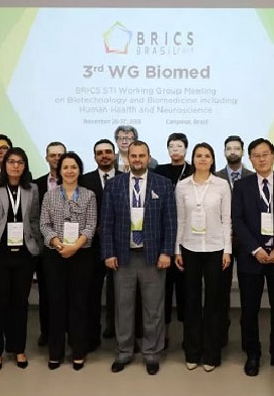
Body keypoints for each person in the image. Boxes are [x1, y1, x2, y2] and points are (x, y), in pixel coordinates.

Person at [102, 140, 176, 376]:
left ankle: (152, 352)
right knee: (123, 307)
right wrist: (109, 252)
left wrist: (166, 252)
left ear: (148, 157)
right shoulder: (114, 185)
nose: (137, 160)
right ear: (127, 158)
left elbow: (170, 222)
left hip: (152, 257)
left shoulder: (163, 184)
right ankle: (124, 351)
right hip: (123, 256)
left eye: (141, 156)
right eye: (133, 156)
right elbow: (106, 223)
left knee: (154, 308)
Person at [232, 138, 274, 377]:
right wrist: (255, 249)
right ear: (250, 159)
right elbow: (237, 220)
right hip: (252, 257)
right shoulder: (242, 186)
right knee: (249, 310)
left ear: (273, 156)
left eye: (265, 154)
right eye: (256, 155)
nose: (261, 159)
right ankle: (252, 354)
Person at [0, 147, 42, 371]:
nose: (16, 166)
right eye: (11, 162)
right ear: (5, 165)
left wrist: (37, 247)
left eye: (20, 162)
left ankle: (18, 348)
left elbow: (34, 220)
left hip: (24, 255)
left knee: (20, 304)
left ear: (25, 166)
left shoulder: (32, 189)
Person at [175, 142, 231, 372]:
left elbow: (226, 220)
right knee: (191, 301)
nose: (203, 159)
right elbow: (180, 220)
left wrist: (227, 250)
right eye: (198, 155)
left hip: (216, 248)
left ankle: (211, 354)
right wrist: (177, 249)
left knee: (214, 303)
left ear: (212, 159)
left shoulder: (222, 185)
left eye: (207, 155)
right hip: (189, 248)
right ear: (193, 159)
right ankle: (192, 352)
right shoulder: (182, 186)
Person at [40, 152, 97, 370]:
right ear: (59, 171)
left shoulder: (89, 195)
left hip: (81, 255)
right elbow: (44, 224)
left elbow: (91, 225)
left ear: (79, 170)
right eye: (65, 167)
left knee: (79, 304)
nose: (70, 171)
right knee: (56, 304)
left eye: (74, 167)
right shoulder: (50, 195)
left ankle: (78, 351)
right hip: (55, 256)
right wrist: (58, 245)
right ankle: (55, 352)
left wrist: (74, 246)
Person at [79, 139, 125, 349]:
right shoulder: (84, 180)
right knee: (92, 290)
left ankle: (118, 329)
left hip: (120, 244)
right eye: (100, 153)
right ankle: (92, 334)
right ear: (94, 157)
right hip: (92, 245)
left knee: (121, 291)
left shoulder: (126, 178)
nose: (104, 155)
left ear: (114, 155)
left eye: (108, 152)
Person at [154, 132, 193, 346]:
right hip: (163, 236)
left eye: (179, 146)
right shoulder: (159, 171)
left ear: (186, 148)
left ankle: (188, 334)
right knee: (164, 289)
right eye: (171, 146)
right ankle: (165, 333)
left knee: (187, 289)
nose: (175, 149)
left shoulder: (194, 170)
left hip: (189, 235)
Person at [214, 134, 253, 345]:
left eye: (236, 148)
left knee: (248, 290)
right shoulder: (215, 177)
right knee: (221, 290)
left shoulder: (252, 176)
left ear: (243, 152)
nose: (233, 152)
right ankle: (220, 334)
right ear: (224, 152)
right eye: (229, 148)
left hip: (246, 240)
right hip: (222, 240)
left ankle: (247, 338)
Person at [32, 141, 66, 346]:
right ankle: (47, 332)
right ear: (46, 158)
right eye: (52, 155)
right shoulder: (35, 185)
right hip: (46, 248)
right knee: (46, 293)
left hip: (71, 248)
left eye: (60, 155)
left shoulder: (76, 183)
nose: (56, 158)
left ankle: (69, 332)